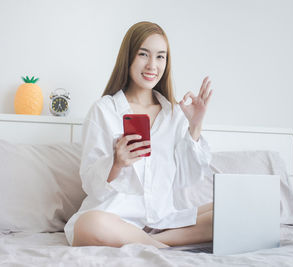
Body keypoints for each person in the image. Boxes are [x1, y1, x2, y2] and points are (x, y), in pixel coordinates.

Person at [64, 21, 213, 248]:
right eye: (144, 54)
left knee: (232, 210)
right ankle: (162, 246)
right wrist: (116, 163)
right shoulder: (104, 110)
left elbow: (188, 178)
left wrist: (195, 125)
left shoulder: (173, 114)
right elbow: (90, 182)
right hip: (114, 218)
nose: (152, 65)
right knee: (89, 224)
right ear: (129, 57)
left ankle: (151, 242)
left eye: (160, 57)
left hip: (162, 220)